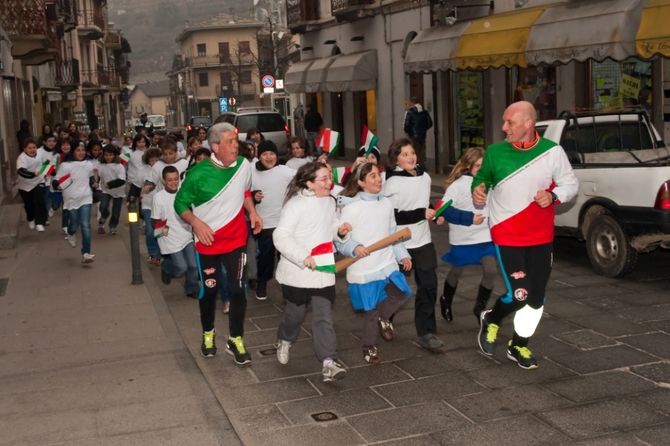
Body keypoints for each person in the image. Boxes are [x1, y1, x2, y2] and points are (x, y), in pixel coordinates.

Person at [473, 100, 578, 370]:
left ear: (529, 124)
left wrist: (554, 195)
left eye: (510, 122)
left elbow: (570, 184)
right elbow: (482, 177)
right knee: (519, 294)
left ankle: (519, 344)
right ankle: (492, 320)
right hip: (506, 233)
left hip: (541, 236)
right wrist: (478, 188)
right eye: (504, 121)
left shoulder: (552, 152)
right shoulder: (496, 152)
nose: (503, 127)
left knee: (535, 299)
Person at [174, 122, 262, 365]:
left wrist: (252, 213)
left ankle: (235, 338)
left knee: (237, 289)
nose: (237, 145)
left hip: (236, 240)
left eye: (236, 140)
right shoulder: (197, 174)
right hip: (208, 243)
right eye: (230, 142)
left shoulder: (244, 166)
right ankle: (208, 333)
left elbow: (244, 192)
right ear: (215, 146)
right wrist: (196, 223)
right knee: (210, 290)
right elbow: (179, 204)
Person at [272, 161, 350, 382]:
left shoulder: (330, 201)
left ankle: (328, 362)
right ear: (309, 183)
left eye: (329, 178)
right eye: (324, 179)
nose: (329, 182)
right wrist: (302, 257)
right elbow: (281, 236)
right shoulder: (295, 206)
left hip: (323, 269)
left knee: (323, 316)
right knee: (295, 314)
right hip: (297, 272)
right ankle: (285, 339)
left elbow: (331, 225)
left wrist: (340, 231)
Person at [336, 162, 413, 363]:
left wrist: (402, 254)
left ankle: (383, 317)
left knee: (402, 291)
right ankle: (369, 347)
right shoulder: (352, 208)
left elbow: (392, 233)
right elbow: (340, 242)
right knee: (370, 311)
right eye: (372, 176)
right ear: (361, 182)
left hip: (386, 261)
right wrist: (353, 246)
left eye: (378, 175)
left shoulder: (386, 203)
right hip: (364, 267)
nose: (378, 179)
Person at [383, 138, 444, 353]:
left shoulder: (425, 177)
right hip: (400, 243)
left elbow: (423, 203)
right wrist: (421, 213)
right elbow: (392, 216)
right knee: (397, 288)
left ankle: (426, 332)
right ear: (396, 159)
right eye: (405, 154)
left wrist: (434, 215)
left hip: (423, 241)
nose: (410, 157)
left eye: (412, 152)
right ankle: (385, 317)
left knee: (428, 286)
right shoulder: (392, 183)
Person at [437, 147, 495, 323]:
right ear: (468, 165)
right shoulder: (458, 185)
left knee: (491, 271)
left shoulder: (491, 183)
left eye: (484, 166)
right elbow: (443, 209)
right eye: (478, 166)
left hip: (486, 238)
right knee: (456, 272)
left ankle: (480, 307)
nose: (481, 169)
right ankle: (446, 299)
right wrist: (469, 218)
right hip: (463, 239)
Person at [251, 140, 296, 301]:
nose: (269, 157)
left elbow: (304, 178)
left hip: (284, 222)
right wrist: (253, 196)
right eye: (265, 154)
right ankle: (262, 283)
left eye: (272, 154)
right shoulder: (252, 172)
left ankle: (288, 288)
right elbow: (244, 193)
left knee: (286, 257)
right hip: (264, 224)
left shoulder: (285, 171)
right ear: (259, 156)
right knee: (265, 257)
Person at [153, 165, 198, 298]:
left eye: (176, 179)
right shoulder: (159, 197)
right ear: (164, 181)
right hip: (170, 237)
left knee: (193, 266)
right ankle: (167, 268)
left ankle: (191, 289)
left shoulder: (184, 192)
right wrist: (162, 234)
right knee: (181, 268)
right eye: (170, 180)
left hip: (186, 235)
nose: (173, 182)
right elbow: (155, 221)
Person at [54, 142, 97, 263]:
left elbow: (90, 177)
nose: (81, 152)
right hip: (71, 199)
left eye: (83, 150)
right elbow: (57, 180)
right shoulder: (65, 165)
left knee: (85, 225)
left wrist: (93, 183)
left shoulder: (89, 164)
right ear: (73, 151)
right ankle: (71, 233)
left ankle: (86, 253)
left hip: (86, 197)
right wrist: (56, 184)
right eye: (78, 150)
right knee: (74, 224)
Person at [16, 138, 47, 232]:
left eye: (34, 147)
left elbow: (46, 164)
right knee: (29, 205)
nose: (32, 150)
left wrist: (46, 173)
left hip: (39, 181)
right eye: (29, 148)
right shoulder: (21, 158)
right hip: (24, 185)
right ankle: (30, 218)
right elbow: (21, 171)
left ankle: (39, 222)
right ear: (24, 149)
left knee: (39, 200)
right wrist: (33, 174)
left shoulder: (40, 154)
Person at [97, 144, 126, 235]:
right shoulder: (101, 165)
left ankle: (113, 226)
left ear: (114, 155)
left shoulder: (119, 166)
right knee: (103, 206)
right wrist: (95, 182)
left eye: (110, 155)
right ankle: (104, 215)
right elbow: (97, 176)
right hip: (106, 191)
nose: (108, 157)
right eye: (106, 155)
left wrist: (110, 184)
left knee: (116, 212)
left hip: (118, 191)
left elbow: (122, 180)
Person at [403, 97, 432, 163]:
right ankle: (422, 165)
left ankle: (415, 165)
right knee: (422, 151)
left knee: (413, 151)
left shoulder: (409, 112)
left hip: (412, 136)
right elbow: (430, 123)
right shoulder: (425, 112)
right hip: (422, 135)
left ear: (412, 102)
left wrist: (409, 132)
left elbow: (406, 125)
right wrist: (423, 129)